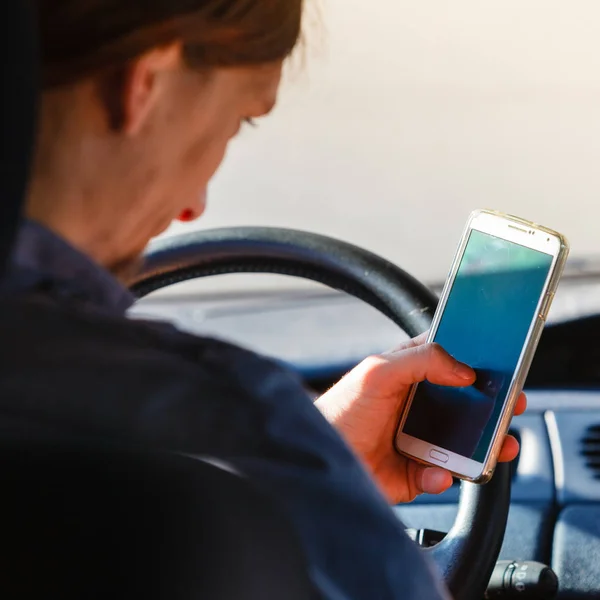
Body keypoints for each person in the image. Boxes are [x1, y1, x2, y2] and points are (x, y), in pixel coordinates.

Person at [0, 1, 525, 598]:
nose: (192, 206)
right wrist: (304, 472)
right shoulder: (245, 426)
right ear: (148, 83)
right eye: (239, 119)